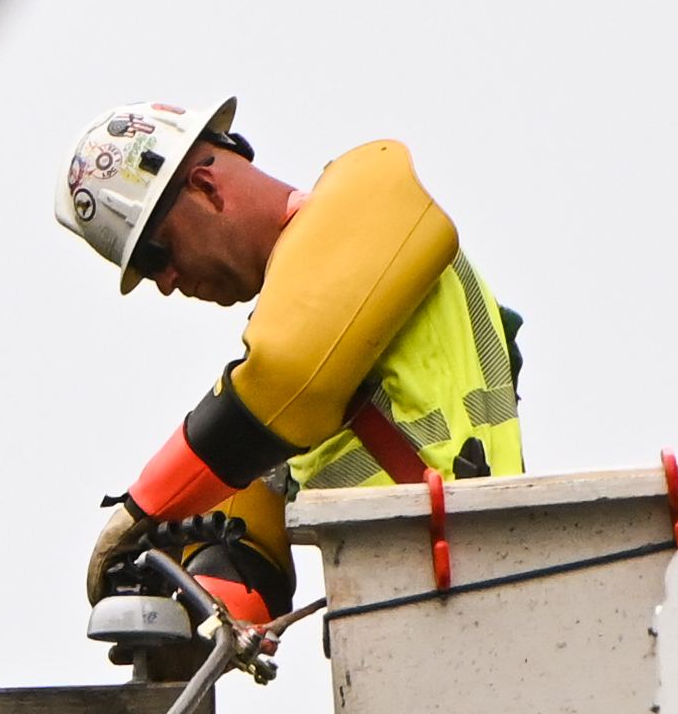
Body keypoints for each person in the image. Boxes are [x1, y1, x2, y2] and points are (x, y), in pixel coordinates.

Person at [59, 97, 523, 634]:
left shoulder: (369, 202)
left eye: (157, 255)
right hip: (406, 623)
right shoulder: (294, 375)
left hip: (478, 581)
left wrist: (140, 511)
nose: (165, 283)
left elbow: (283, 380)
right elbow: (248, 572)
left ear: (206, 189)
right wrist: (172, 612)